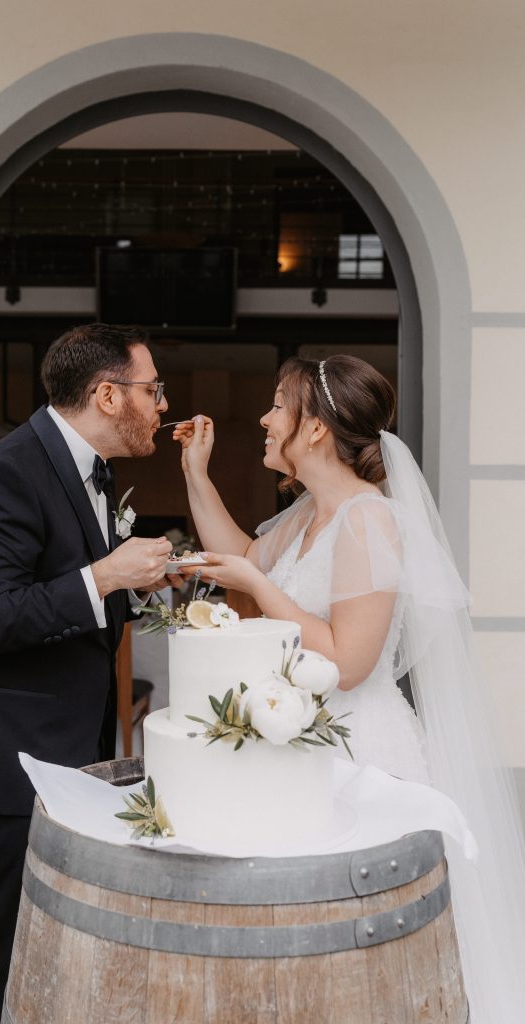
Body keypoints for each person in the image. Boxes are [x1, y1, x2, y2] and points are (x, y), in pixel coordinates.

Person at [174, 354, 525, 1022]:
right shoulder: (312, 511)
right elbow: (245, 560)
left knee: (361, 947)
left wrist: (257, 588)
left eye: (278, 404)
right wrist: (195, 474)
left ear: (313, 431)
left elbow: (349, 659)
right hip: (303, 741)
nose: (264, 418)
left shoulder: (368, 518)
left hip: (359, 748)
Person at [0, 323, 177, 1024]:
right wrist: (103, 575)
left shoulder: (91, 469)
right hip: (1, 767)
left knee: (47, 949)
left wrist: (127, 586)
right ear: (107, 395)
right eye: (152, 391)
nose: (162, 406)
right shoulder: (3, 472)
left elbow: (60, 596)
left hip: (67, 761)